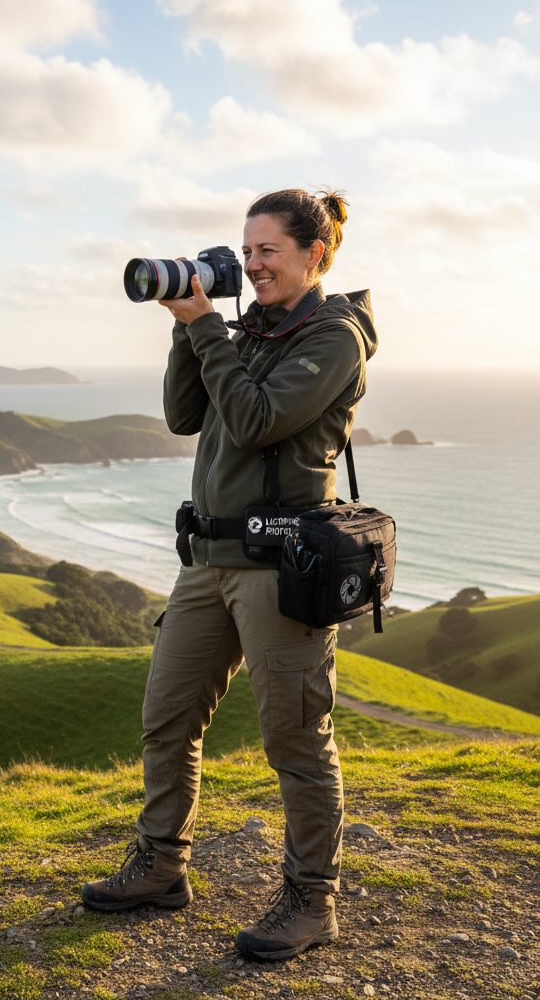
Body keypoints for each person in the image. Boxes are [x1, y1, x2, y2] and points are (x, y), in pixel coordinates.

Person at [81, 188, 377, 961]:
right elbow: (187, 414)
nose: (251, 265)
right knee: (167, 718)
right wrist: (194, 325)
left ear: (313, 255)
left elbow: (254, 422)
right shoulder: (245, 329)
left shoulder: (335, 336)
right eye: (244, 252)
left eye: (266, 251)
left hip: (280, 567)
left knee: (296, 739)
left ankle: (313, 900)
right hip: (208, 561)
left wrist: (206, 324)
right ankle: (160, 867)